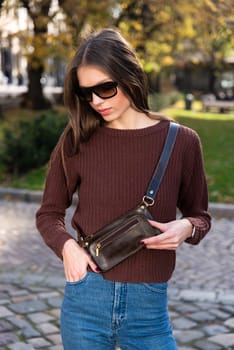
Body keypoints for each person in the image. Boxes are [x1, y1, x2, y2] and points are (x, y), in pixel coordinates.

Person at [36, 28, 211, 350]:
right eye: (86, 93)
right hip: (85, 302)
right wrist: (67, 248)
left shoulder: (182, 142)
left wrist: (186, 228)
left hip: (149, 311)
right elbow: (49, 213)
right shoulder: (77, 140)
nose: (96, 101)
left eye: (105, 88)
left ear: (129, 76)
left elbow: (200, 215)